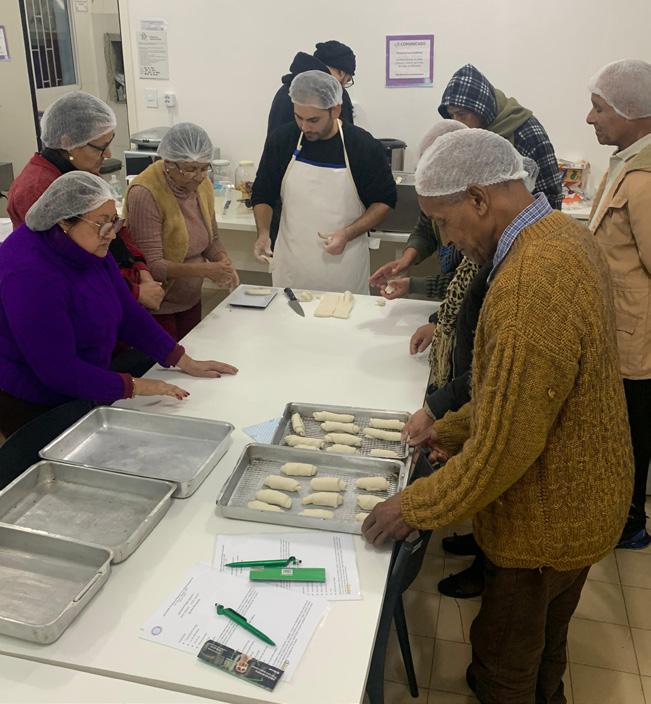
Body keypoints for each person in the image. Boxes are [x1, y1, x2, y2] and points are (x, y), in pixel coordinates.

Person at [362, 129, 633, 704]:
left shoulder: (528, 284)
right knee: (546, 643)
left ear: (480, 199)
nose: (444, 238)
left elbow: (506, 448)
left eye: (443, 221)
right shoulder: (563, 235)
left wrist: (412, 506)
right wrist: (450, 428)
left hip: (546, 520)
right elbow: (529, 393)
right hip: (590, 497)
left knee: (504, 659)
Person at [0, 172, 238, 438]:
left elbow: (127, 311)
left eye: (114, 221)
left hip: (85, 380)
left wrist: (181, 358)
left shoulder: (88, 246)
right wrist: (135, 386)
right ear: (64, 222)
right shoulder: (29, 274)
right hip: (35, 402)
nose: (112, 235)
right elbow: (57, 369)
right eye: (103, 224)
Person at [370, 63, 563, 301]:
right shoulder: (461, 151)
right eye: (452, 115)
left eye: (462, 114)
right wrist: (409, 259)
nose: (447, 239)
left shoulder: (523, 135)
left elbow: (550, 202)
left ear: (479, 199)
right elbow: (432, 224)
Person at [7, 91, 164, 313]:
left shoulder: (80, 172)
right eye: (101, 147)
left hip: (115, 289)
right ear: (68, 142)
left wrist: (141, 269)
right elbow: (74, 264)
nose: (108, 154)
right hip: (75, 303)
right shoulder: (38, 189)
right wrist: (136, 292)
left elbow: (116, 229)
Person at [252, 71, 396, 294]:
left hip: (343, 269)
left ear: (335, 110)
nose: (305, 127)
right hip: (292, 266)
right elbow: (263, 192)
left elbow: (384, 202)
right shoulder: (282, 140)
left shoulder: (362, 146)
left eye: (313, 120)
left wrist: (347, 234)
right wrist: (263, 233)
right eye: (299, 117)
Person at [586, 59, 651, 549]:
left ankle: (629, 525)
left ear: (632, 112)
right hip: (617, 329)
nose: (590, 118)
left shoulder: (646, 179)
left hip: (636, 339)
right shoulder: (625, 165)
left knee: (631, 432)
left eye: (599, 108)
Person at [125, 123, 239, 341]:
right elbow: (152, 266)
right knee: (170, 360)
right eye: (190, 169)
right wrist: (205, 270)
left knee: (194, 351)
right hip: (159, 306)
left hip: (190, 299)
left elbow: (212, 238)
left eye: (204, 168)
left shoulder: (202, 185)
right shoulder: (146, 193)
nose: (198, 176)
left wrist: (223, 262)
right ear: (168, 162)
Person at [369, 120, 467, 302]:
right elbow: (426, 228)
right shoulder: (439, 198)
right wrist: (406, 260)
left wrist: (413, 285)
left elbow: (467, 285)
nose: (446, 241)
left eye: (443, 222)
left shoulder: (478, 223)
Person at [267, 42, 356, 137]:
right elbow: (349, 137)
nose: (305, 127)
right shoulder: (335, 95)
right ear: (341, 73)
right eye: (347, 80)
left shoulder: (285, 91)